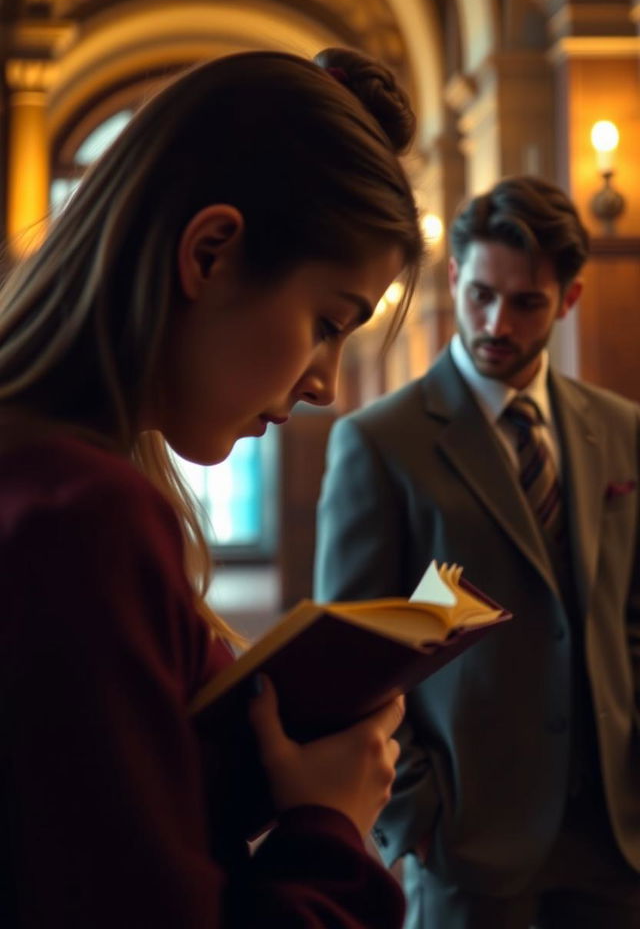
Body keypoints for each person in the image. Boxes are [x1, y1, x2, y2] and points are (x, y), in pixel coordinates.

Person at [0, 47, 425, 928]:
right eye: (326, 324)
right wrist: (328, 826)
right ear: (212, 252)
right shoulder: (89, 518)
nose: (326, 385)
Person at [314, 175, 640, 928]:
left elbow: (631, 613)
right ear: (456, 279)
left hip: (613, 833)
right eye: (482, 293)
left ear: (570, 299)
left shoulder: (619, 429)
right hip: (468, 840)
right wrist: (419, 817)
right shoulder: (379, 442)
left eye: (526, 302)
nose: (497, 321)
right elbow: (350, 661)